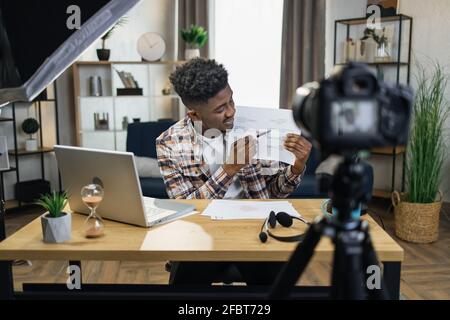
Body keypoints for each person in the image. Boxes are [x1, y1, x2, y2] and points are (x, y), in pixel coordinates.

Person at [156, 58, 312, 285]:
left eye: (231, 100)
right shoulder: (169, 143)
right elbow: (185, 210)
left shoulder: (255, 126)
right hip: (200, 236)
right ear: (195, 115)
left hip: (254, 231)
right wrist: (229, 169)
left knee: (278, 288)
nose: (231, 112)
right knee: (183, 291)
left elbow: (273, 196)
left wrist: (297, 167)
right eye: (220, 109)